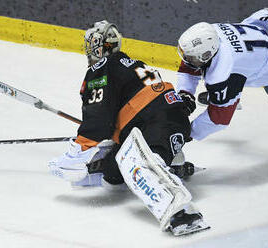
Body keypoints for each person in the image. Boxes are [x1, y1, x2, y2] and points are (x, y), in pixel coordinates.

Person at [48, 20, 209, 235]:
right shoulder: (131, 63)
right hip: (170, 118)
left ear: (98, 46)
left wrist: (79, 149)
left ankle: (182, 214)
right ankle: (174, 164)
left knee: (139, 167)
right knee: (113, 175)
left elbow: (100, 116)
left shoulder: (101, 67)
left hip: (151, 121)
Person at [176, 8, 268, 140]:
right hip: (265, 25)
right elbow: (189, 61)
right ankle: (229, 94)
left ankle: (231, 95)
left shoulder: (224, 71)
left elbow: (219, 119)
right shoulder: (210, 33)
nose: (187, 60)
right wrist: (185, 93)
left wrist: (187, 134)